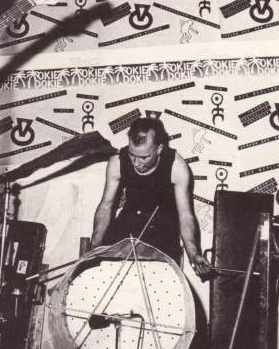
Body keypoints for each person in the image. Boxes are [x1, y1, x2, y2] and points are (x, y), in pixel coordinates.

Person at [90, 116, 212, 279]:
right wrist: (95, 247)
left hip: (163, 230)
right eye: (132, 154)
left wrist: (193, 254)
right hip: (129, 224)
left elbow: (185, 215)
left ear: (159, 149)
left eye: (144, 157)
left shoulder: (177, 167)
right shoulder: (117, 162)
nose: (136, 163)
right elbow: (106, 206)